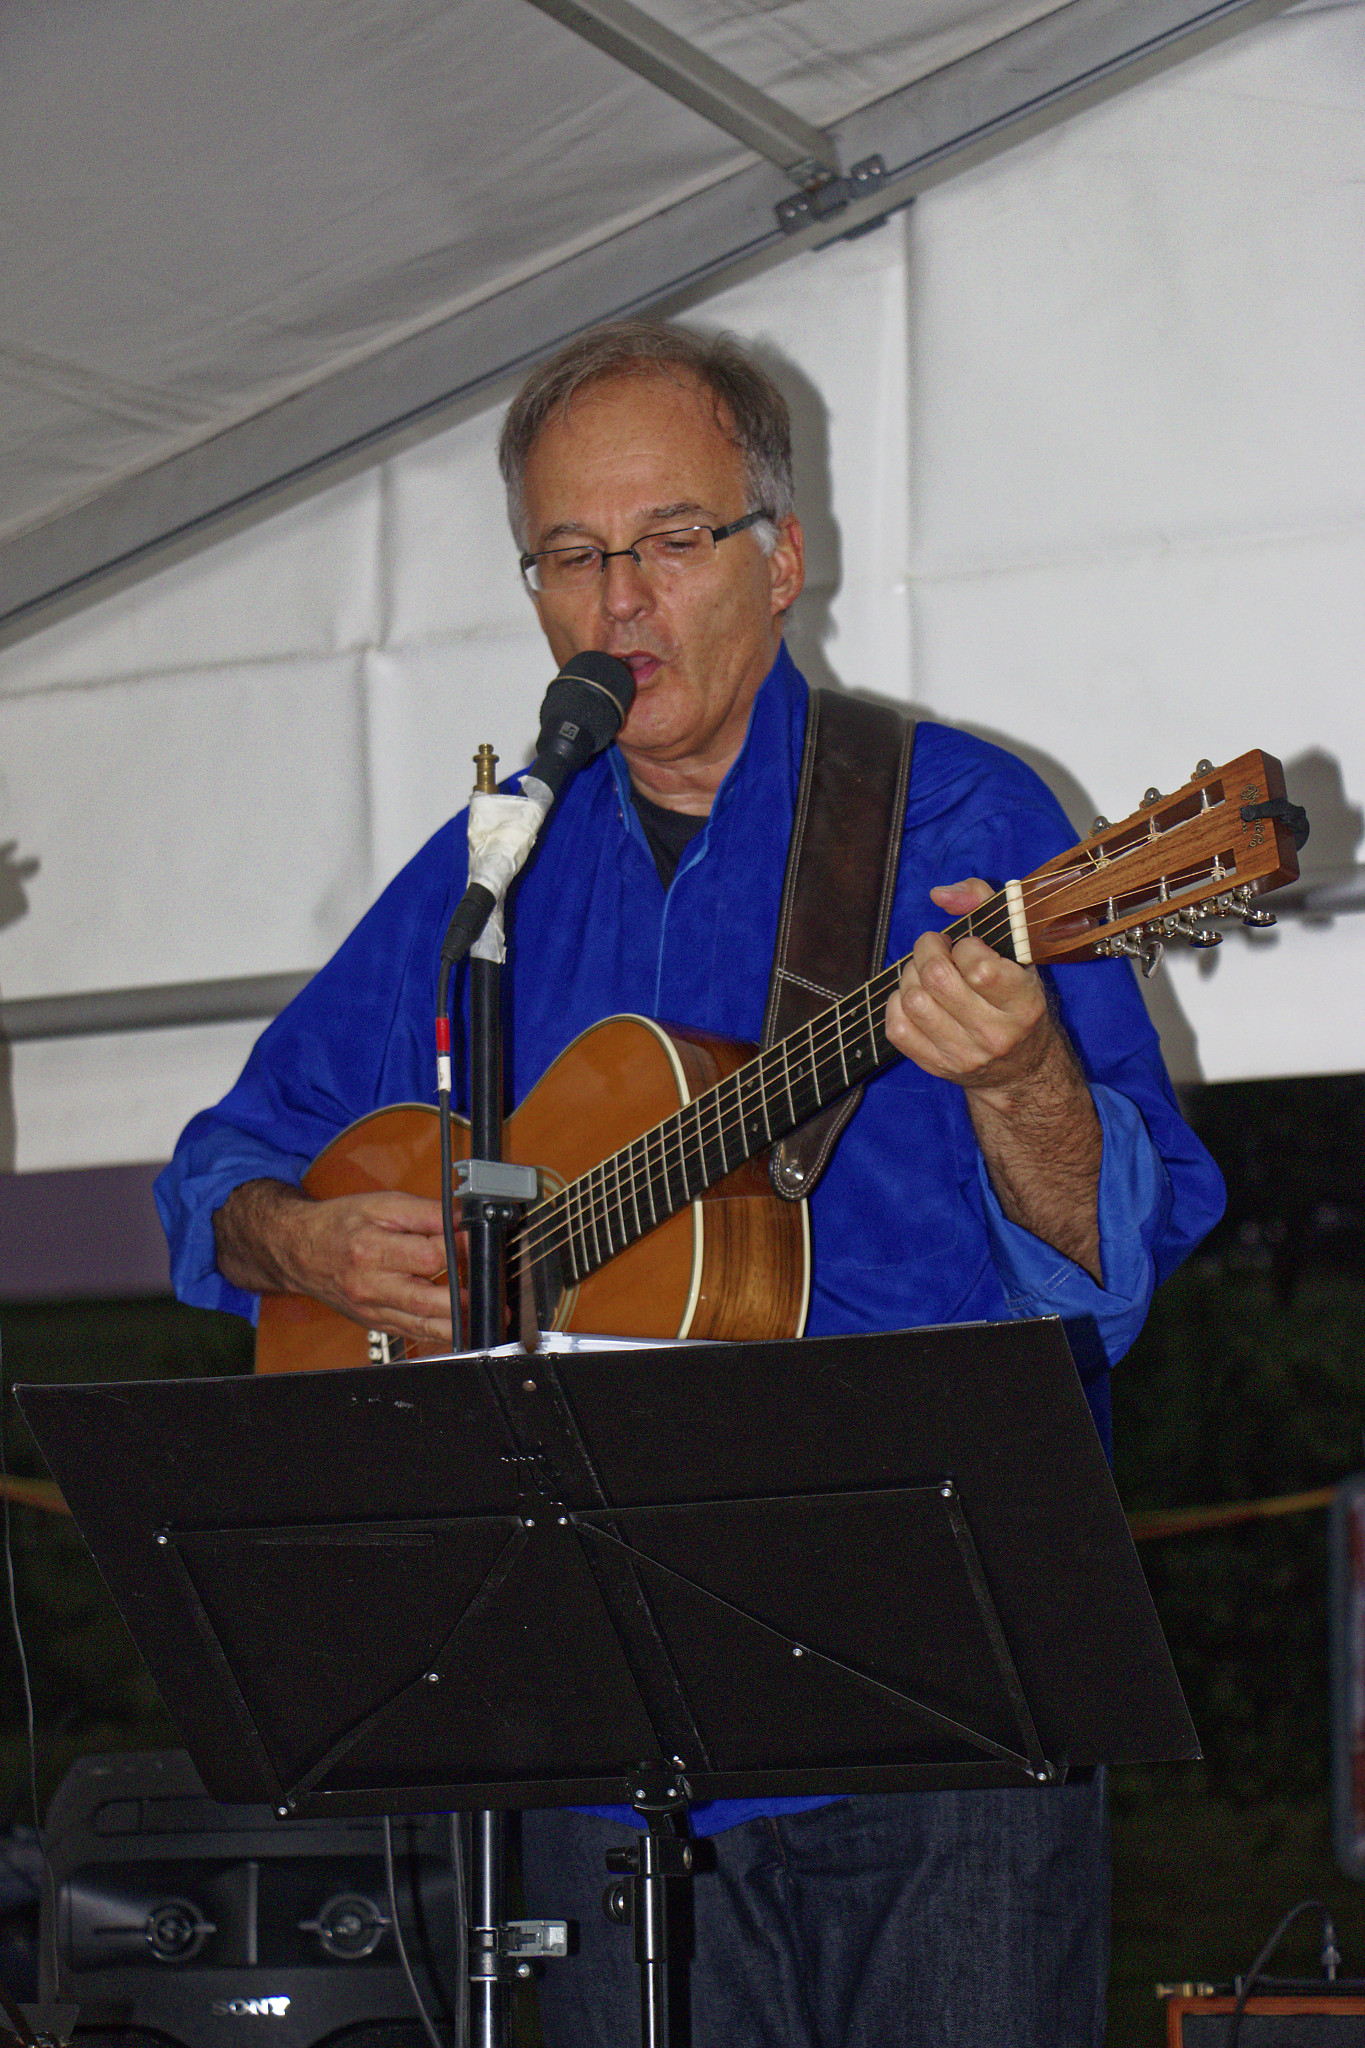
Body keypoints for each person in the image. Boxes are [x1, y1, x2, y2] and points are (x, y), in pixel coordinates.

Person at [157, 320, 1224, 2046]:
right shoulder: (492, 868)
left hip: (936, 1707)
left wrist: (1020, 1077)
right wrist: (300, 1240)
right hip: (585, 1716)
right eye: (570, 556)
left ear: (779, 558)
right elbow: (228, 1164)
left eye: (669, 539)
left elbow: (1108, 1263)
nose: (619, 601)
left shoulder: (951, 821)